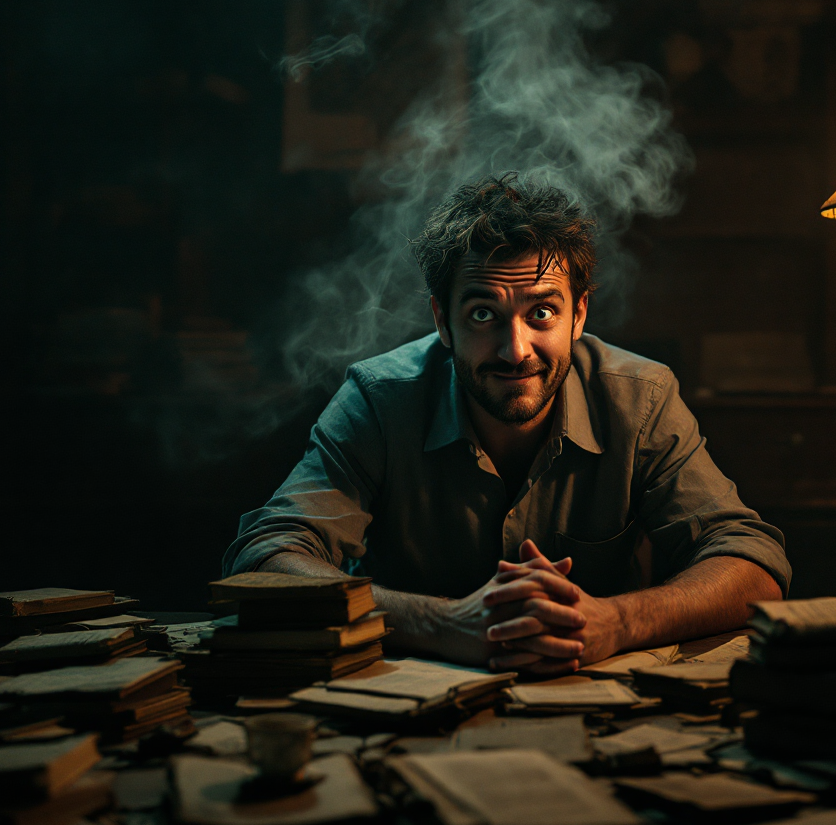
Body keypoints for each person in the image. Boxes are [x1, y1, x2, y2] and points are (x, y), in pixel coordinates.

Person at [223, 174, 790, 675]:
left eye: (541, 311)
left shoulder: (641, 398)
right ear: (442, 320)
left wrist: (616, 621)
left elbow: (752, 559)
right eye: (482, 315)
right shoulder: (378, 400)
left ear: (580, 314)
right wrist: (444, 624)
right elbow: (265, 558)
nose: (515, 350)